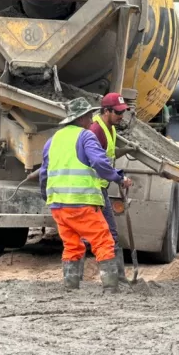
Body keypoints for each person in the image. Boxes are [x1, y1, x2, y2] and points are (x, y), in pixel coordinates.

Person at [39, 98, 133, 292]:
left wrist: (46, 196)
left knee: (72, 245)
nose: (92, 119)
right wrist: (118, 178)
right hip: (81, 202)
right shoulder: (86, 136)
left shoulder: (52, 140)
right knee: (104, 241)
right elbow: (99, 162)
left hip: (58, 204)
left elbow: (44, 173)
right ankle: (111, 288)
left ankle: (71, 287)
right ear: (81, 118)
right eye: (89, 115)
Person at [89, 92, 130, 282]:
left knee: (100, 233)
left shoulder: (110, 128)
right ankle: (116, 277)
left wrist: (118, 174)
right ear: (106, 111)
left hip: (100, 187)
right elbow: (97, 163)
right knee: (108, 233)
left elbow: (107, 159)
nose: (121, 116)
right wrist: (117, 178)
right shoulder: (96, 130)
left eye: (123, 112)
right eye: (118, 112)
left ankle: (115, 277)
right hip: (93, 189)